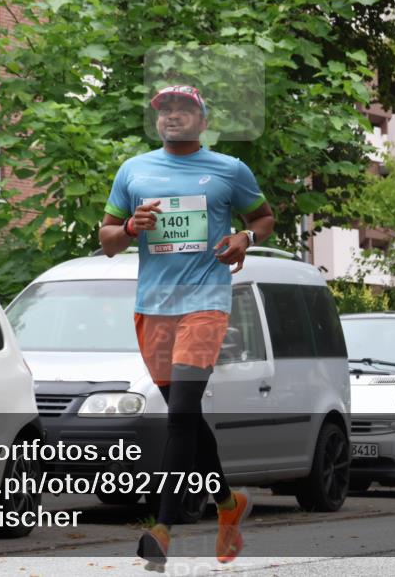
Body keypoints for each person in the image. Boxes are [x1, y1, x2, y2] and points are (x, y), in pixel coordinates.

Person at [99, 84, 275, 571]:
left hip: (205, 305)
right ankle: (227, 504)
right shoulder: (133, 171)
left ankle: (162, 528)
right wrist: (131, 228)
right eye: (165, 109)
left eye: (183, 108)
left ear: (202, 118)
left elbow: (263, 218)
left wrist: (242, 236)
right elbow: (108, 239)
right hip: (152, 309)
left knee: (179, 416)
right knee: (189, 417)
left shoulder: (228, 171)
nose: (172, 116)